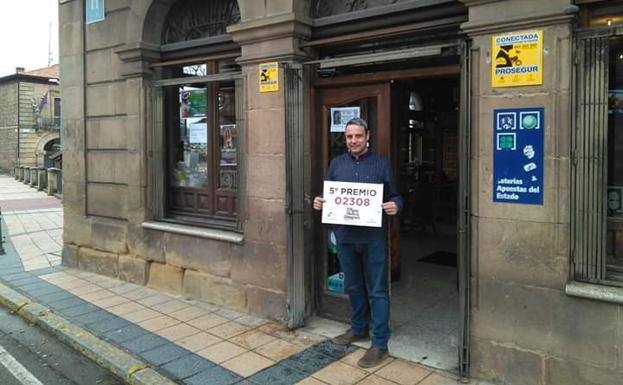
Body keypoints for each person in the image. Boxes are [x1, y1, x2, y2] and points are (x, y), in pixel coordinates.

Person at [313, 117, 403, 368]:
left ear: (368, 136)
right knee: (353, 286)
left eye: (358, 136)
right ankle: (359, 328)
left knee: (377, 290)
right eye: (349, 136)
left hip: (373, 238)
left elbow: (396, 195)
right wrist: (319, 201)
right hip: (346, 236)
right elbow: (329, 195)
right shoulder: (337, 164)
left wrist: (396, 205)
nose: (353, 141)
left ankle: (380, 343)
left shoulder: (382, 164)